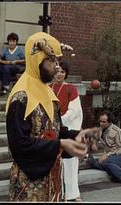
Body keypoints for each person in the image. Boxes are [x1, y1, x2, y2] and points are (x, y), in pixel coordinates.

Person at [6, 32, 95, 202]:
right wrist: (60, 144)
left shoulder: (49, 93)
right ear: (36, 61)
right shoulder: (20, 98)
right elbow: (18, 144)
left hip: (53, 181)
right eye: (51, 61)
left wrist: (78, 136)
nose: (56, 66)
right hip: (28, 184)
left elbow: (56, 132)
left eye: (57, 61)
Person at [49, 61, 83, 202]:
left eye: (62, 72)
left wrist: (60, 121)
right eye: (57, 71)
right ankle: (55, 193)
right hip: (50, 129)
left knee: (70, 163)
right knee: (54, 162)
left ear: (66, 74)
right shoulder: (47, 88)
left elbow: (74, 110)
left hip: (67, 128)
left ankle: (73, 194)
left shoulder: (71, 89)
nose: (59, 74)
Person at [88, 110, 121, 186]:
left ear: (110, 122)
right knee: (92, 162)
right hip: (111, 156)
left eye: (104, 122)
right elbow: (95, 137)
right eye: (100, 121)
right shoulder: (100, 129)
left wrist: (107, 155)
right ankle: (119, 173)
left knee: (106, 162)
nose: (101, 123)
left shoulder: (118, 132)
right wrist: (94, 143)